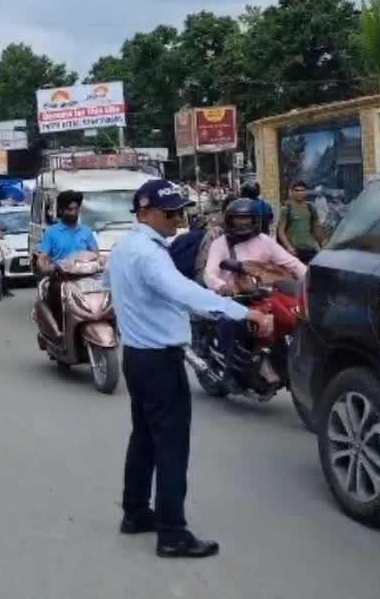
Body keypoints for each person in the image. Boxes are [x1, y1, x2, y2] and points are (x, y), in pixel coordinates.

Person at [104, 179, 273, 559]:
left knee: (145, 436)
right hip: (158, 360)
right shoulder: (148, 254)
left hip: (137, 356)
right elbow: (185, 293)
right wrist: (245, 311)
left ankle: (135, 512)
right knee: (171, 445)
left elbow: (109, 283)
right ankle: (172, 533)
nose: (178, 220)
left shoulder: (125, 249)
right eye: (170, 213)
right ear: (145, 213)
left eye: (181, 212)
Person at [202, 198, 305, 387]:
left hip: (263, 293)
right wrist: (221, 286)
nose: (243, 222)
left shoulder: (264, 241)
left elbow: (292, 263)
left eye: (247, 218)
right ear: (229, 220)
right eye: (238, 218)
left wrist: (310, 279)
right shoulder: (220, 243)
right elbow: (209, 273)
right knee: (230, 323)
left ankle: (276, 354)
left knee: (293, 316)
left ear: (254, 220)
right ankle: (232, 369)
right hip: (234, 298)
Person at [36, 190, 99, 324]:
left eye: (76, 209)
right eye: (70, 210)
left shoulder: (86, 231)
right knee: (56, 302)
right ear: (61, 210)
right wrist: (47, 269)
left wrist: (102, 262)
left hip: (86, 279)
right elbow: (42, 258)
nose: (73, 213)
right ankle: (60, 334)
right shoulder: (51, 233)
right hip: (62, 280)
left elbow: (96, 255)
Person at [277, 180, 327, 264]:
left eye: (302, 190)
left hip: (310, 248)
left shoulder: (310, 207)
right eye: (296, 190)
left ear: (306, 192)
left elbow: (316, 228)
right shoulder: (286, 209)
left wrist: (324, 243)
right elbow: (281, 231)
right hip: (294, 250)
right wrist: (289, 247)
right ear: (291, 192)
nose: (299, 193)